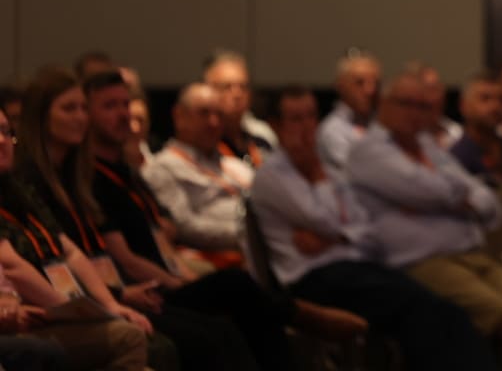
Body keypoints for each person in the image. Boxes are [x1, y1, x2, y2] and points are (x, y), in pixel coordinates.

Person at [86, 70, 366, 370]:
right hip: (151, 287)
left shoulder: (130, 175)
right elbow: (130, 254)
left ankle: (296, 315)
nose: (123, 115)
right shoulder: (99, 177)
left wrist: (183, 275)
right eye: (110, 106)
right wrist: (177, 281)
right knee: (233, 300)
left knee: (247, 308)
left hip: (178, 273)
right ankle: (302, 314)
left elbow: (161, 235)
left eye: (125, 105)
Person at [19, 67, 256, 371]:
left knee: (221, 328)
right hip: (72, 300)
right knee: (205, 334)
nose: (81, 117)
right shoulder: (28, 181)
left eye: (81, 108)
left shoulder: (77, 177)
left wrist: (117, 297)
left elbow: (89, 250)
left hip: (108, 291)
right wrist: (116, 299)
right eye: (69, 109)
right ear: (41, 117)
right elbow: (55, 257)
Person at [251, 85, 495, 371]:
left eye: (311, 117)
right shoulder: (271, 176)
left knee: (447, 310)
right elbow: (325, 220)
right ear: (275, 125)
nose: (306, 127)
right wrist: (320, 186)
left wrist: (336, 237)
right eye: (296, 118)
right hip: (314, 279)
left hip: (358, 268)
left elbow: (366, 229)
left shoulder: (329, 169)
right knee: (420, 311)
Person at [347, 72, 502, 360]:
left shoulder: (427, 146)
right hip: (422, 264)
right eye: (406, 103)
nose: (415, 113)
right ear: (385, 103)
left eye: (422, 106)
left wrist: (443, 198)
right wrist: (455, 198)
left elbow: (488, 201)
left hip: (473, 254)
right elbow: (427, 190)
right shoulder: (368, 151)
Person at [141, 83, 254, 268]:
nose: (214, 122)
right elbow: (184, 226)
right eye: (204, 113)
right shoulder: (161, 168)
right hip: (212, 261)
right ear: (179, 116)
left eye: (219, 115)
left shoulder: (233, 164)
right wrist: (251, 235)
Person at [201, 49, 275, 166]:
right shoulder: (201, 140)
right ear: (207, 90)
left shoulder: (263, 135)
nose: (237, 94)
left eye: (243, 86)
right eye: (226, 86)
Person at [316, 49, 381, 178]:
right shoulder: (333, 130)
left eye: (375, 83)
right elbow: (366, 174)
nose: (370, 90)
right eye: (360, 83)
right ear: (341, 86)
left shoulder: (382, 123)